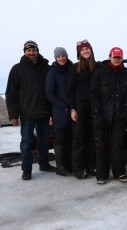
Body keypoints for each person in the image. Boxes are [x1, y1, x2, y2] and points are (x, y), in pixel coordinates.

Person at [5, 40, 56, 180]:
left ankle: (44, 164)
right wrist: (13, 115)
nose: (31, 53)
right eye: (28, 50)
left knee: (44, 140)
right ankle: (26, 168)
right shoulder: (17, 69)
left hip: (44, 112)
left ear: (37, 51)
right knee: (26, 142)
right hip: (27, 113)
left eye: (33, 50)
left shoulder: (46, 68)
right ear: (24, 52)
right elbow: (11, 93)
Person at [89, 47, 127, 184]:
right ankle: (102, 175)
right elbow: (93, 95)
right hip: (101, 116)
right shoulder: (99, 73)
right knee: (101, 146)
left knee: (118, 146)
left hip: (119, 117)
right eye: (114, 57)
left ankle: (119, 173)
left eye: (119, 57)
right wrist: (97, 113)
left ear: (122, 58)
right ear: (110, 57)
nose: (116, 59)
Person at [67, 39, 101, 179]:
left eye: (87, 49)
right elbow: (70, 91)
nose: (85, 51)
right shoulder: (75, 68)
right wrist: (72, 109)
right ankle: (78, 169)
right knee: (79, 138)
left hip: (95, 106)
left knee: (92, 138)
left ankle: (90, 166)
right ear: (79, 53)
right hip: (80, 106)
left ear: (91, 50)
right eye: (82, 50)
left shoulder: (98, 67)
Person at [45, 47, 73, 176]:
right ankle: (61, 167)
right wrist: (63, 106)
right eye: (59, 56)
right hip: (59, 111)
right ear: (55, 58)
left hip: (73, 109)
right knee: (61, 140)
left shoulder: (71, 69)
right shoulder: (52, 72)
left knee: (71, 139)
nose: (61, 58)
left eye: (63, 56)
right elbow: (49, 94)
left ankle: (70, 165)